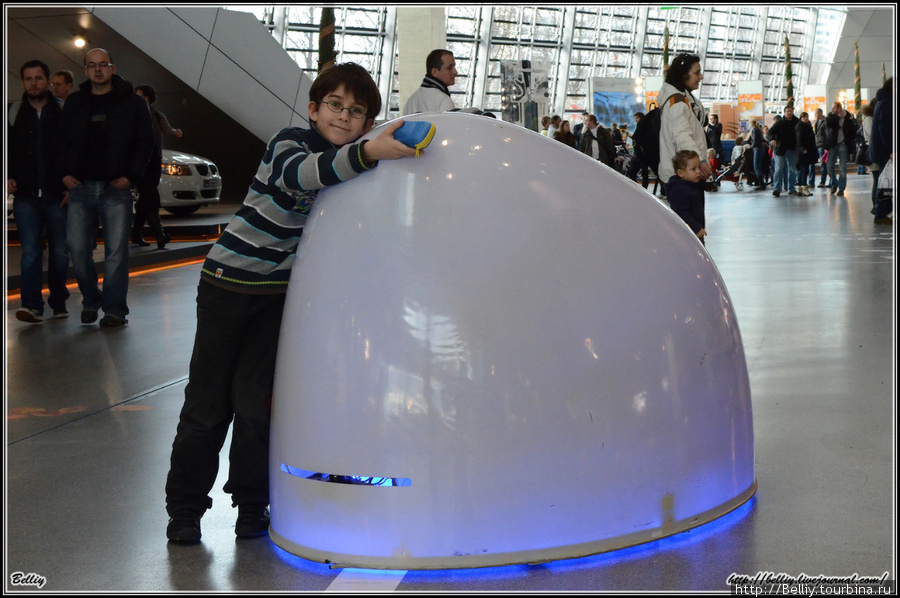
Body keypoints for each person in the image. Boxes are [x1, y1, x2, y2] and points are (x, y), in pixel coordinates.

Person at [164, 62, 419, 544]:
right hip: (226, 285)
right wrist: (371, 151)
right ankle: (185, 509)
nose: (343, 117)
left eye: (357, 111)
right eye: (335, 106)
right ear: (313, 109)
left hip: (276, 297)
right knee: (206, 407)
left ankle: (251, 504)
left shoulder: (356, 165)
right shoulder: (290, 143)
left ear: (368, 122)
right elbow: (303, 176)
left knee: (257, 406)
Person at [58, 48, 155, 328]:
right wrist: (63, 174)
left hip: (116, 189)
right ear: (85, 70)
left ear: (112, 68)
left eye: (103, 64)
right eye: (91, 65)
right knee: (76, 248)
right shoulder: (75, 102)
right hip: (80, 187)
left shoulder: (133, 103)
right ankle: (91, 299)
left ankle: (114, 310)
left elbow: (145, 141)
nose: (97, 70)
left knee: (116, 252)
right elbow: (60, 142)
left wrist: (131, 176)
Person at [8, 59, 70, 323]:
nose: (34, 83)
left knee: (59, 252)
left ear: (48, 81)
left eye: (39, 78)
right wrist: (8, 175)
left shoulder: (64, 112)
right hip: (26, 196)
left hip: (58, 195)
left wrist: (72, 182)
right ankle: (32, 305)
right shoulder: (12, 113)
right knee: (31, 251)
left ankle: (58, 302)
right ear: (23, 82)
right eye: (29, 79)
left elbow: (73, 149)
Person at [131, 85, 182, 249]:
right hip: (140, 161)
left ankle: (137, 233)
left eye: (142, 96)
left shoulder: (157, 116)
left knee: (147, 197)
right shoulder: (134, 116)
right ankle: (159, 234)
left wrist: (175, 132)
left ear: (148, 98)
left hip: (154, 160)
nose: (139, 100)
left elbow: (167, 129)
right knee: (150, 196)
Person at [657, 53, 711, 191]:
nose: (701, 77)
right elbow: (683, 138)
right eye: (696, 73)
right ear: (683, 75)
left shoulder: (681, 100)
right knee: (687, 213)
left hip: (684, 175)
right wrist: (701, 163)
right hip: (684, 179)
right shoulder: (677, 104)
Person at [666, 150, 706, 245]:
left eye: (699, 167)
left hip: (696, 231)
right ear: (680, 173)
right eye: (693, 169)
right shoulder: (679, 190)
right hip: (688, 234)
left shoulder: (692, 185)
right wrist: (695, 227)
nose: (698, 171)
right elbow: (681, 213)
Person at [403, 49, 457, 115]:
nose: (455, 72)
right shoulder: (444, 101)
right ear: (434, 72)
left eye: (454, 67)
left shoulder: (411, 101)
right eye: (449, 68)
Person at [869, 77, 892, 225]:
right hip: (885, 152)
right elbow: (886, 130)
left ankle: (881, 211)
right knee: (885, 183)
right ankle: (880, 213)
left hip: (882, 151)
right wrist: (892, 149)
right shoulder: (886, 104)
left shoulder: (883, 102)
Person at [825, 101, 856, 197]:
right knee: (829, 166)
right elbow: (829, 123)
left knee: (842, 168)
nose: (832, 109)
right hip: (833, 144)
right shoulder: (831, 116)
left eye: (834, 108)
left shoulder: (847, 117)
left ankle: (841, 188)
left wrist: (846, 141)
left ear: (839, 108)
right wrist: (837, 116)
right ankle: (834, 183)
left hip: (843, 144)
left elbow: (853, 132)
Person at [767, 106, 800, 197]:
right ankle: (777, 189)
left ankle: (791, 188)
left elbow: (801, 133)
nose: (789, 113)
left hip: (792, 149)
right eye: (787, 111)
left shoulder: (797, 122)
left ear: (793, 112)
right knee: (779, 169)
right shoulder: (779, 123)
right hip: (780, 149)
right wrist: (772, 139)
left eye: (791, 111)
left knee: (792, 170)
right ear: (784, 112)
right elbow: (770, 132)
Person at [794, 112, 817, 196]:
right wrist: (802, 148)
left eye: (807, 117)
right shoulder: (802, 127)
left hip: (803, 151)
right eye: (804, 117)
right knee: (804, 169)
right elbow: (799, 139)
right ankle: (804, 187)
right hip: (804, 152)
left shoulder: (803, 126)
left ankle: (800, 187)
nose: (806, 118)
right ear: (801, 118)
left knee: (801, 170)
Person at [625, 111, 649, 188]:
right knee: (632, 172)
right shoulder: (638, 127)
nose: (636, 120)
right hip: (637, 152)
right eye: (635, 118)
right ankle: (637, 188)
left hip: (642, 153)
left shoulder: (644, 128)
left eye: (637, 118)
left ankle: (643, 188)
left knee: (643, 173)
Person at [814, 108, 829, 188]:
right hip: (818, 144)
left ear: (820, 113)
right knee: (822, 163)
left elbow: (827, 134)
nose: (815, 115)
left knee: (824, 163)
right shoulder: (817, 122)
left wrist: (827, 145)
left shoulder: (825, 122)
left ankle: (823, 181)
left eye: (816, 113)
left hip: (823, 144)